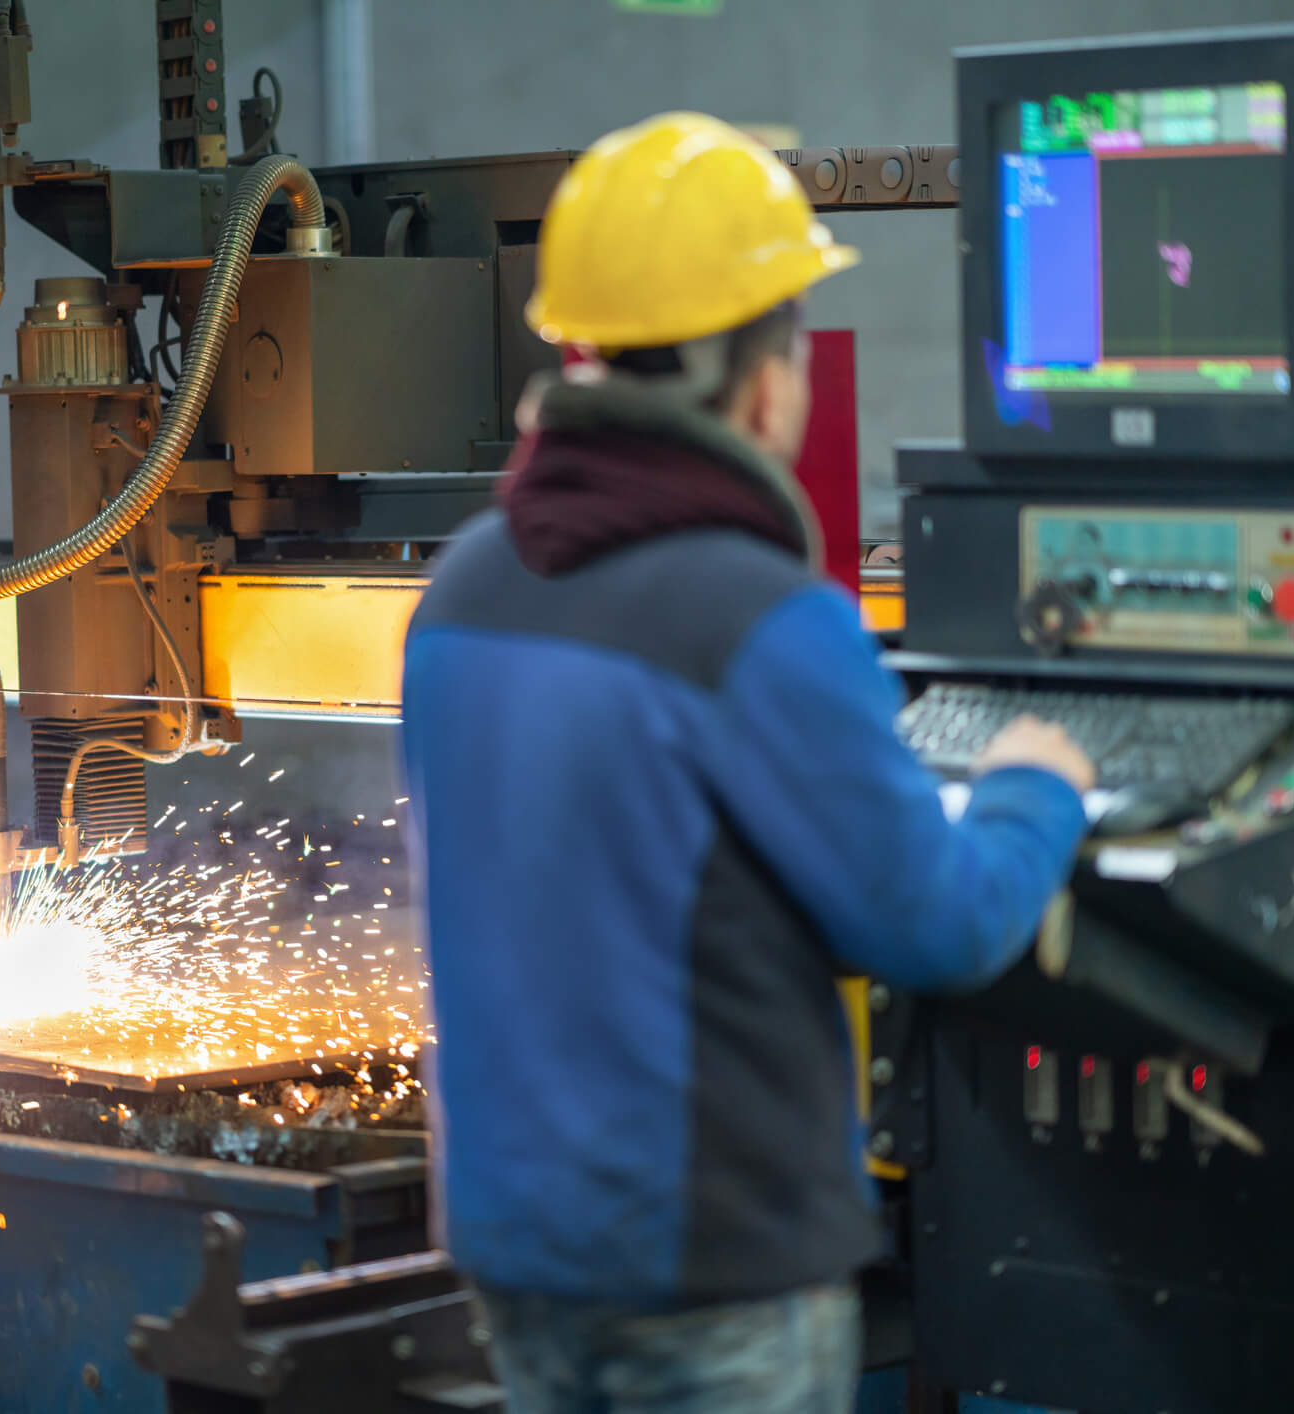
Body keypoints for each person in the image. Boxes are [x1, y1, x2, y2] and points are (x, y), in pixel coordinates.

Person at [398, 113, 1095, 1413]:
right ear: (761, 377)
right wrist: (1034, 784)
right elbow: (934, 921)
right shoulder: (761, 619)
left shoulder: (464, 590)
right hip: (706, 1268)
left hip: (513, 1248)